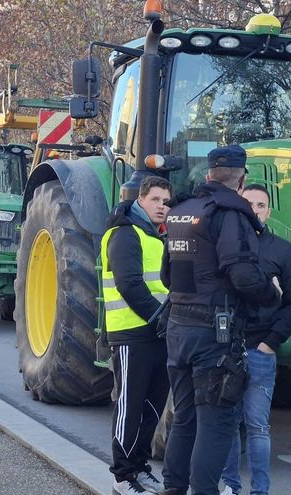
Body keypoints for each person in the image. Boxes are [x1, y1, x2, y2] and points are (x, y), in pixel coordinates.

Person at [161, 145, 282, 495]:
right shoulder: (230, 213)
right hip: (214, 332)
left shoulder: (181, 210)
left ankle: (174, 489)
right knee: (216, 424)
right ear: (240, 180)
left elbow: (168, 276)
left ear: (209, 173)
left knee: (184, 418)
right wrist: (271, 293)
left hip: (178, 328)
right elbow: (242, 275)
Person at [220, 184, 291, 495]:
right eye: (249, 204)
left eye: (261, 205)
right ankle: (230, 487)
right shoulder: (222, 246)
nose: (255, 210)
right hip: (226, 349)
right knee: (228, 423)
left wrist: (271, 341)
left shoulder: (284, 251)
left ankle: (260, 490)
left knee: (257, 426)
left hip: (260, 350)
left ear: (268, 211)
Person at [102, 175, 173, 495]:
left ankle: (139, 467)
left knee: (153, 407)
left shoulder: (156, 236)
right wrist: (161, 319)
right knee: (130, 406)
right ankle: (122, 475)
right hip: (132, 333)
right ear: (141, 200)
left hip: (156, 333)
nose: (162, 206)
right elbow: (129, 284)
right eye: (156, 200)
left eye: (166, 201)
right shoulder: (125, 233)